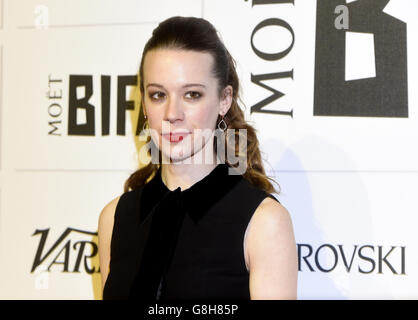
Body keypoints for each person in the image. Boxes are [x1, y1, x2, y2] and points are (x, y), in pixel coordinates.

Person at [98, 16, 297, 300]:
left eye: (192, 94)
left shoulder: (264, 223)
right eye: (158, 95)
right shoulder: (114, 218)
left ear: (224, 100)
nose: (172, 113)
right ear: (143, 103)